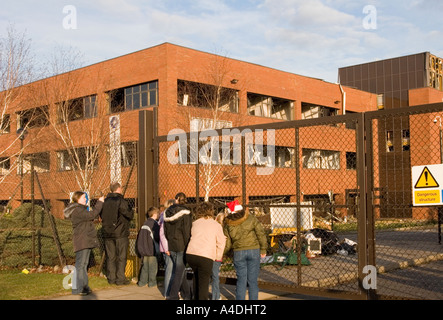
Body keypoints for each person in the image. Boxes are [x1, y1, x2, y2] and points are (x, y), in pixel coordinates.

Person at [223, 200, 268, 300]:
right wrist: (263, 249)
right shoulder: (251, 218)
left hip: (238, 252)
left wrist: (223, 253)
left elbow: (228, 243)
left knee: (241, 280)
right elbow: (260, 233)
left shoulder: (228, 223)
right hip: (253, 250)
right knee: (252, 281)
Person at [64, 191, 104, 295]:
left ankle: (83, 287)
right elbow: (92, 215)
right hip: (82, 241)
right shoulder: (77, 210)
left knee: (83, 265)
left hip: (84, 240)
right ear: (77, 199)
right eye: (83, 198)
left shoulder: (79, 209)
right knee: (81, 265)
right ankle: (79, 288)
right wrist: (99, 203)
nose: (85, 199)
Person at [186, 202, 226, 300]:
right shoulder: (216, 225)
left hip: (191, 254)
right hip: (206, 256)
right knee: (204, 283)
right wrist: (217, 256)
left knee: (196, 278)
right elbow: (221, 242)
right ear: (211, 211)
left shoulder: (195, 223)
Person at [100, 182, 134, 285]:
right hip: (120, 232)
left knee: (111, 256)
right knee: (121, 256)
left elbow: (101, 215)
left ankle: (111, 278)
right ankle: (120, 279)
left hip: (107, 232)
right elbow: (129, 214)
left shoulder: (104, 202)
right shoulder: (121, 201)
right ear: (119, 189)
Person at [164, 192, 192, 300]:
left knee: (180, 270)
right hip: (181, 244)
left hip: (172, 243)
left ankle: (187, 294)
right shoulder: (186, 213)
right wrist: (187, 244)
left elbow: (165, 231)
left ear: (176, 199)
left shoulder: (167, 212)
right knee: (179, 271)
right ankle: (173, 295)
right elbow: (186, 230)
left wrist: (169, 240)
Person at [136, 207, 160, 287]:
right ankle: (152, 283)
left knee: (145, 267)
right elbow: (156, 237)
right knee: (153, 267)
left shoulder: (144, 224)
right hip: (152, 249)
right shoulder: (154, 224)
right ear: (155, 214)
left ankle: (142, 282)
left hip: (144, 249)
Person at [158, 199, 175, 297]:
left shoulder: (163, 216)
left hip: (167, 247)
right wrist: (166, 248)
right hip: (167, 247)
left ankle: (170, 291)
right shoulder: (165, 217)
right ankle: (167, 292)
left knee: (171, 269)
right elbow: (163, 234)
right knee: (170, 269)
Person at [211, 209, 228, 300]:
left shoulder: (211, 227)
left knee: (211, 276)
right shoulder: (221, 229)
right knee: (215, 276)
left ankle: (215, 295)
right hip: (217, 255)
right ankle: (216, 296)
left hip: (208, 254)